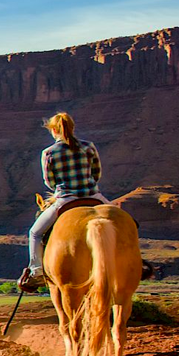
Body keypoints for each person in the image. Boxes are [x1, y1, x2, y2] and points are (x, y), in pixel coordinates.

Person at [18, 112, 106, 292]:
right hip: (94, 196)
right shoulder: (89, 147)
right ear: (72, 127)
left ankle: (36, 272)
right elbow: (96, 175)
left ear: (53, 130)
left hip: (66, 199)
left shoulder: (49, 153)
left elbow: (49, 182)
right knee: (128, 223)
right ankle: (137, 263)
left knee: (34, 233)